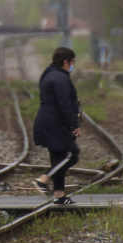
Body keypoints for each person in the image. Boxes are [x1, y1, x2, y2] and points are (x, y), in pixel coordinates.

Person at [32, 46, 81, 205]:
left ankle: (59, 195)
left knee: (58, 157)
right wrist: (74, 124)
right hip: (55, 123)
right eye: (72, 62)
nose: (73, 65)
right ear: (66, 61)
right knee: (71, 154)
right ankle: (43, 179)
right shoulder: (60, 78)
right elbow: (64, 104)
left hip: (48, 121)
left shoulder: (49, 74)